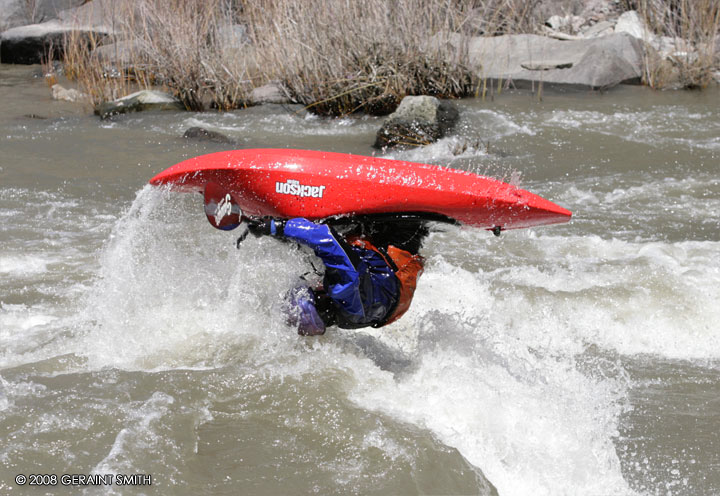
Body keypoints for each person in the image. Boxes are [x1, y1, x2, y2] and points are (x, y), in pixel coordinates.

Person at [248, 217, 427, 336]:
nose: (312, 286)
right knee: (333, 249)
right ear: (320, 301)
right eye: (312, 292)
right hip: (397, 246)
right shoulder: (345, 292)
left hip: (388, 288)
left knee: (315, 255)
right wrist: (276, 227)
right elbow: (326, 240)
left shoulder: (344, 317)